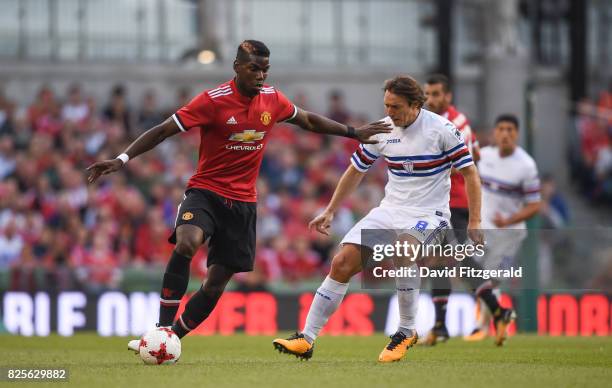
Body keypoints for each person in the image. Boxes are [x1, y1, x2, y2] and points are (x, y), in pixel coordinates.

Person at [85, 40, 391, 355]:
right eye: (254, 69)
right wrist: (120, 160)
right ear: (237, 67)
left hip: (243, 204)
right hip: (205, 192)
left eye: (265, 70)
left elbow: (309, 121)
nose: (261, 76)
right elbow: (163, 130)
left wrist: (353, 132)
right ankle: (161, 328)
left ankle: (169, 340)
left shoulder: (273, 100)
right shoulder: (212, 101)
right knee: (187, 242)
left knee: (216, 284)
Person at [272, 75, 484, 362]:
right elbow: (356, 170)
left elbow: (470, 173)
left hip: (429, 214)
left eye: (395, 107)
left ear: (415, 104)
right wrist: (331, 209)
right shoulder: (382, 130)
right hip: (390, 210)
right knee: (342, 262)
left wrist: (474, 220)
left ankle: (406, 330)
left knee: (404, 250)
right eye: (386, 105)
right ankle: (306, 339)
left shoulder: (443, 130)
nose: (389, 112)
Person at [463, 114, 541, 343]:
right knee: (475, 277)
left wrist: (509, 220)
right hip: (482, 230)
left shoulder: (526, 166)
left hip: (509, 232)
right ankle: (496, 321)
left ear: (516, 134)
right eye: (501, 129)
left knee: (491, 279)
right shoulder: (483, 157)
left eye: (510, 129)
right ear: (494, 133)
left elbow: (535, 204)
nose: (505, 134)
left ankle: (484, 326)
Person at [421, 74, 480, 345]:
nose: (429, 99)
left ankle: (498, 307)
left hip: (455, 202)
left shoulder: (455, 123)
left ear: (448, 96)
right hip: (443, 202)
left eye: (435, 94)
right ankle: (441, 326)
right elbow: (476, 154)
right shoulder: (440, 122)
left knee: (454, 259)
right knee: (439, 261)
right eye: (427, 94)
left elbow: (466, 162)